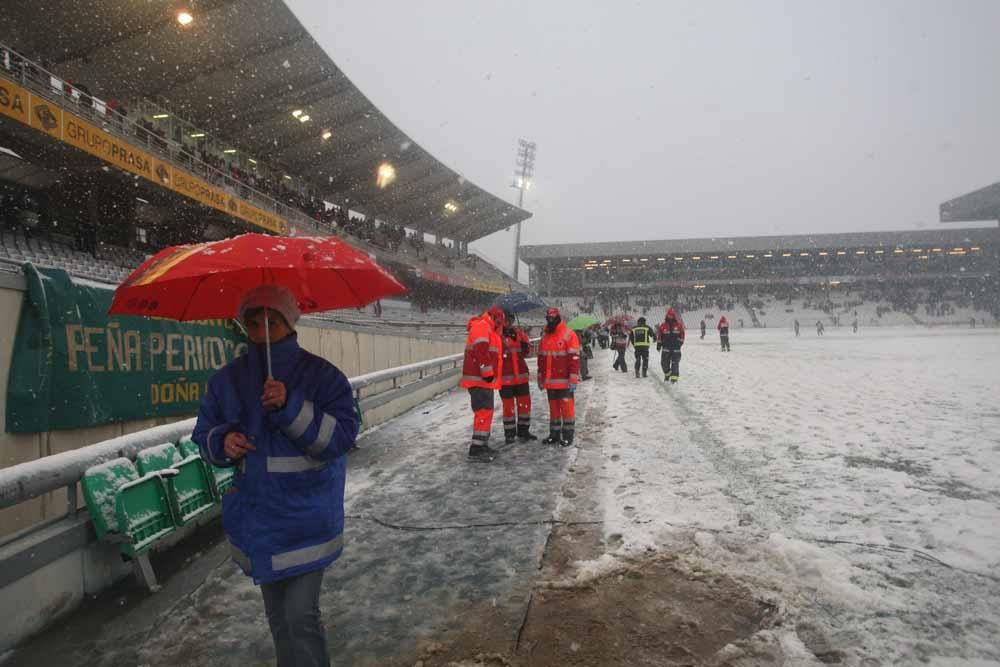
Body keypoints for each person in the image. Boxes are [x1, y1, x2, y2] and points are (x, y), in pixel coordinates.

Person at [193, 285, 360, 667]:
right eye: (253, 323)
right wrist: (223, 442)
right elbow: (204, 435)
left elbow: (340, 438)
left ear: (290, 323)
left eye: (272, 322)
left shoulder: (323, 376)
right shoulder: (226, 381)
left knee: (300, 616)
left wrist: (290, 407)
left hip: (308, 517)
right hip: (259, 520)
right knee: (279, 620)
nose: (261, 331)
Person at [460, 306, 504, 461]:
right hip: (481, 380)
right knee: (483, 412)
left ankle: (482, 445)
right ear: (494, 317)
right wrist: (487, 373)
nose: (501, 324)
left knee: (486, 412)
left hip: (484, 381)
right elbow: (481, 350)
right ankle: (477, 449)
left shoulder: (488, 329)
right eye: (499, 320)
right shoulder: (482, 326)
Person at [537, 307, 581, 446]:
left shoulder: (569, 335)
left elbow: (574, 358)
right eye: (548, 318)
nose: (550, 320)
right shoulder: (545, 337)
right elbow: (541, 359)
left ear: (558, 318)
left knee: (567, 409)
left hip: (565, 382)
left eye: (553, 318)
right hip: (551, 382)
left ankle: (568, 435)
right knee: (554, 409)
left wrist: (573, 378)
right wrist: (540, 377)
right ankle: (554, 434)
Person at [499, 310, 538, 444]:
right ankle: (509, 434)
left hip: (521, 377)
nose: (508, 323)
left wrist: (525, 346)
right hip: (505, 379)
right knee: (508, 408)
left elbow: (528, 352)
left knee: (524, 406)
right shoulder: (497, 335)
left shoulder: (520, 334)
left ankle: (523, 431)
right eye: (505, 320)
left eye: (510, 320)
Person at [656, 308, 686, 383]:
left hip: (676, 349)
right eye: (669, 315)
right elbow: (660, 336)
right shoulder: (663, 325)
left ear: (674, 316)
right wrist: (659, 345)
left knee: (675, 364)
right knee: (664, 364)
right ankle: (667, 374)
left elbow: (682, 335)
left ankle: (674, 379)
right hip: (666, 348)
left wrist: (679, 343)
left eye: (671, 315)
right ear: (667, 316)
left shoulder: (679, 325)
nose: (670, 317)